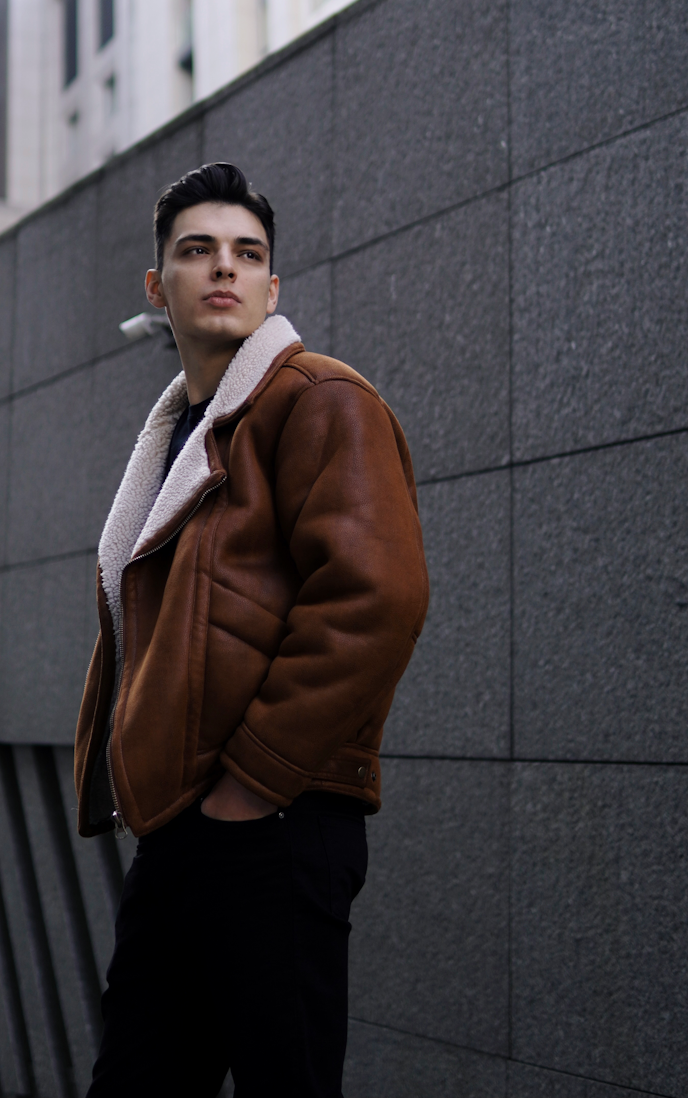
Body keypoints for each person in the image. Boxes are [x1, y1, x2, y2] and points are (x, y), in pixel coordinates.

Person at [75, 161, 429, 1098]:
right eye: (197, 251)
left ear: (273, 285)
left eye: (247, 253)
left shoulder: (318, 400)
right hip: (181, 833)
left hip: (276, 821)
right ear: (160, 287)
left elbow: (375, 599)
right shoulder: (181, 435)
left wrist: (250, 788)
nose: (223, 268)